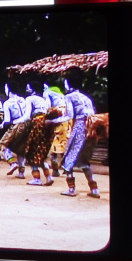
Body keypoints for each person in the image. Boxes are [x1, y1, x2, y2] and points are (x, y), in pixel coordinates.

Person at [48, 69, 99, 197]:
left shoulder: (69, 97)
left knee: (68, 158)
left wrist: (52, 121)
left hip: (80, 127)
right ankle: (94, 189)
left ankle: (71, 189)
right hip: (92, 128)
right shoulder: (86, 98)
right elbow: (92, 113)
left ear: (69, 84)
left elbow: (69, 115)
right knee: (84, 161)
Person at [23, 81, 59, 186]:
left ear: (32, 89)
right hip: (47, 125)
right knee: (42, 152)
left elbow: (27, 115)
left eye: (28, 87)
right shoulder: (43, 100)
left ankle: (37, 178)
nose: (26, 89)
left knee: (31, 151)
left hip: (37, 124)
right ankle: (48, 176)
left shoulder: (29, 99)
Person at [0, 80, 28, 178]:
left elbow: (7, 120)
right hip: (26, 125)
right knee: (21, 148)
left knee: (3, 144)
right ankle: (21, 172)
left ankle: (12, 163)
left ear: (9, 89)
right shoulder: (23, 100)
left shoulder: (7, 103)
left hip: (15, 125)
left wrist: (1, 125)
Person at [43, 82, 70, 176]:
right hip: (68, 120)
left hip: (58, 120)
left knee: (53, 146)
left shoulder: (47, 93)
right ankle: (67, 167)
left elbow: (47, 107)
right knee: (64, 144)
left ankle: (55, 170)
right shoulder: (61, 95)